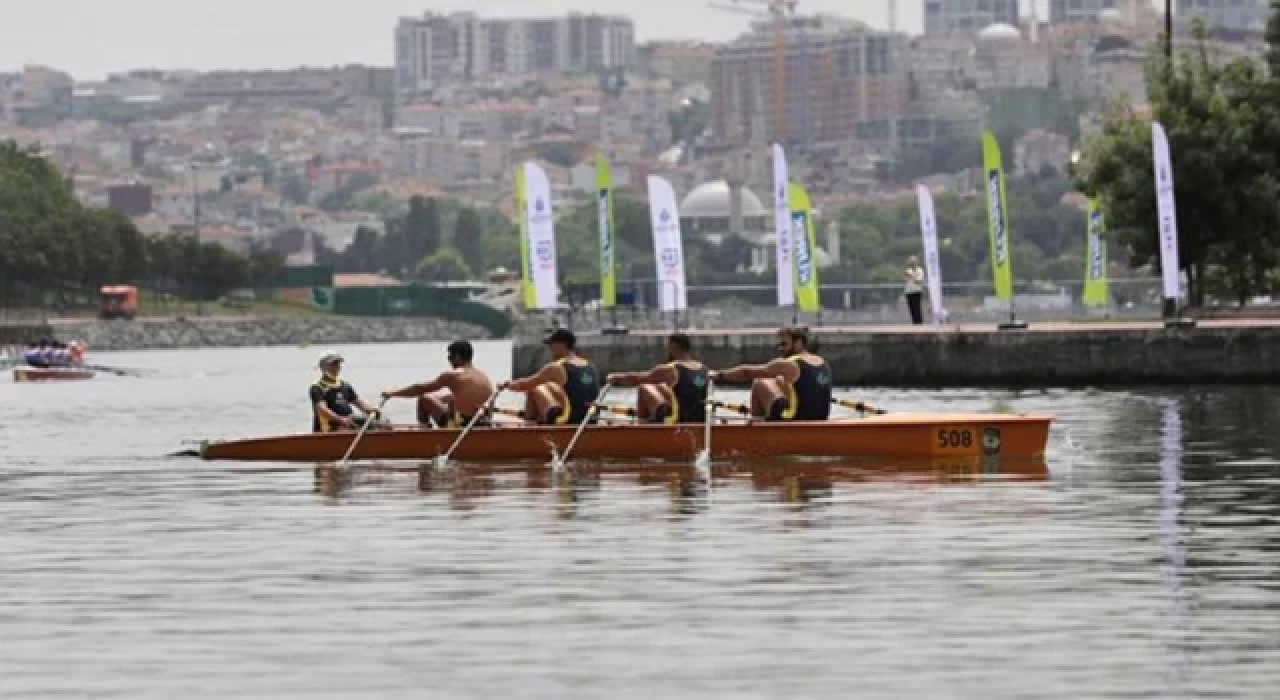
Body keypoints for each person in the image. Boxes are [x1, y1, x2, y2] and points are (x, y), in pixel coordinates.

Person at [710, 327, 832, 421]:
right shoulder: (823, 362)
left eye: (784, 344)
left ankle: (756, 428)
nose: (779, 348)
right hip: (819, 419)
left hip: (793, 419)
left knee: (759, 382)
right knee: (777, 381)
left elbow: (746, 373)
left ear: (799, 342)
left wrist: (719, 375)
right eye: (779, 345)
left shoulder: (790, 364)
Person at [382, 340, 495, 428]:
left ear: (457, 357)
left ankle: (424, 434)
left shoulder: (453, 375)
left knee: (424, 399)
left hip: (463, 426)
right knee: (449, 399)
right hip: (483, 423)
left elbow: (420, 389)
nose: (449, 360)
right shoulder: (482, 376)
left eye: (450, 357)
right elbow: (462, 398)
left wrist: (392, 393)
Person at [500, 328, 601, 425]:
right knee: (548, 386)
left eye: (551, 345)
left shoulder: (556, 367)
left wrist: (506, 385)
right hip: (590, 419)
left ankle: (528, 427)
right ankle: (536, 419)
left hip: (567, 420)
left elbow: (524, 385)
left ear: (561, 345)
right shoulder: (590, 366)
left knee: (534, 388)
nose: (550, 348)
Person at [606, 333, 709, 424]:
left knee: (644, 388)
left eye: (668, 346)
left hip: (678, 422)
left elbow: (637, 379)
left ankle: (642, 428)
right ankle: (652, 418)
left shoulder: (671, 369)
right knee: (661, 388)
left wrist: (616, 377)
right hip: (701, 422)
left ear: (673, 346)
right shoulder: (703, 368)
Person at [309, 352, 383, 433]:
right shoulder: (317, 387)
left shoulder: (345, 385)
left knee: (383, 424)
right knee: (348, 426)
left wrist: (373, 410)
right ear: (323, 367)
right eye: (333, 364)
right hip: (329, 429)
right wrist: (340, 419)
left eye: (338, 364)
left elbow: (362, 405)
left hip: (349, 423)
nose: (337, 367)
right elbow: (322, 409)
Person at [904, 255, 925, 325]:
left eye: (914, 261)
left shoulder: (920, 270)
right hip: (909, 291)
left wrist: (912, 276)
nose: (912, 263)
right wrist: (909, 277)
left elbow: (919, 280)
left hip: (917, 291)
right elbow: (906, 280)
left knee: (917, 307)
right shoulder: (908, 270)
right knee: (911, 308)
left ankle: (919, 323)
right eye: (911, 261)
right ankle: (915, 323)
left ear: (917, 262)